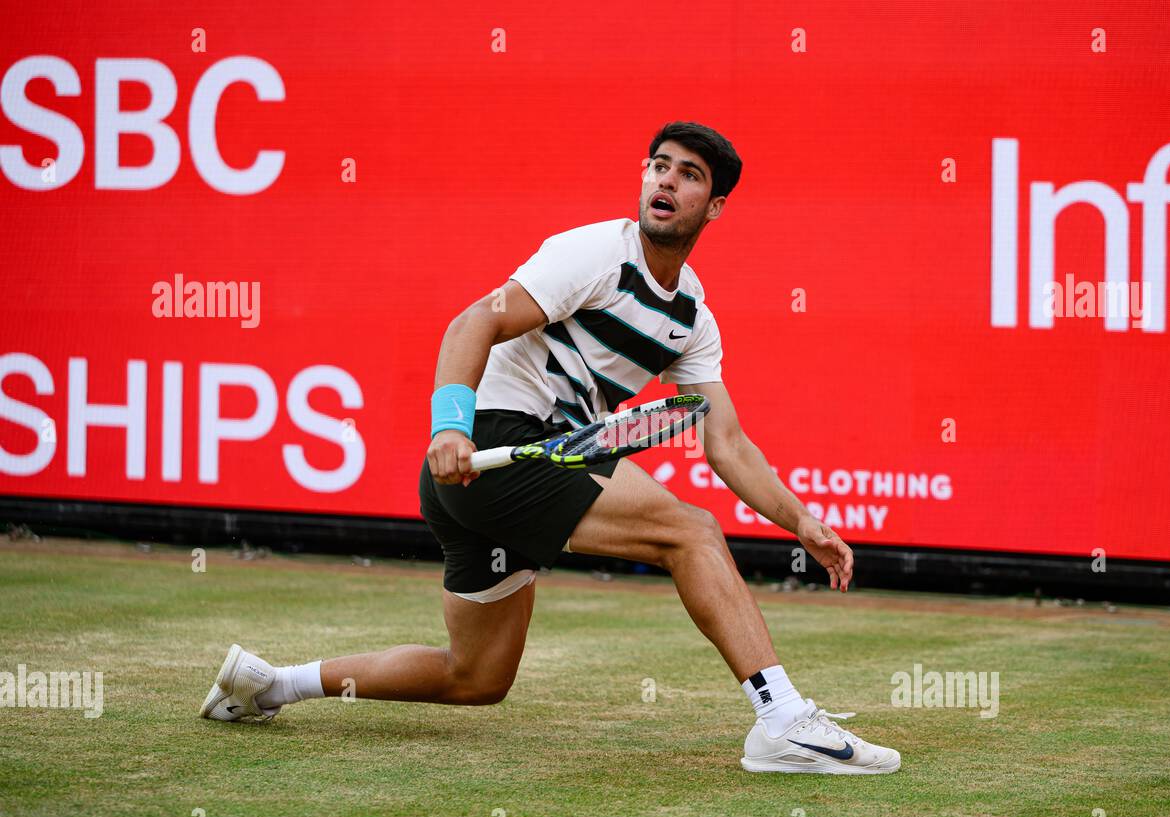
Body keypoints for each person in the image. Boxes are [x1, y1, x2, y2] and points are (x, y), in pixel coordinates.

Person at [201, 121, 900, 775]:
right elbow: (476, 320)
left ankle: (270, 685)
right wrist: (450, 424)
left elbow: (729, 443)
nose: (667, 182)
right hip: (500, 444)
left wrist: (801, 521)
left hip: (504, 476)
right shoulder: (596, 252)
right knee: (691, 532)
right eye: (660, 166)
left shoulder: (692, 319)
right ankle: (780, 721)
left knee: (474, 678)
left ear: (713, 207)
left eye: (688, 176)